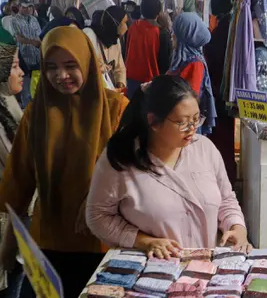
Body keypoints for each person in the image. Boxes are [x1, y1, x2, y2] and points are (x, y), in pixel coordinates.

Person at [0, 26, 129, 298]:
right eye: (51, 67)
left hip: (103, 243)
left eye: (70, 65)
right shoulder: (37, 112)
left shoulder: (117, 109)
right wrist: (9, 244)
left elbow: (133, 174)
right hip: (49, 242)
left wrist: (95, 197)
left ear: (87, 62)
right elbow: (20, 181)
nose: (61, 75)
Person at [86, 75, 251, 258]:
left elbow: (226, 199)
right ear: (154, 121)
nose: (192, 128)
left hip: (205, 266)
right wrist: (144, 241)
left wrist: (237, 227)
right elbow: (98, 216)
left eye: (196, 119)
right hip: (152, 270)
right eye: (182, 122)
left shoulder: (204, 148)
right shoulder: (121, 158)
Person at [0, 42, 24, 298]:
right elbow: (13, 167)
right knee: (4, 285)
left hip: (13, 220)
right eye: (14, 66)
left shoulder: (7, 102)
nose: (22, 72)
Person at [204, 0, 236, 182]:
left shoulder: (224, 29)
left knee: (222, 141)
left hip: (220, 93)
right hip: (221, 93)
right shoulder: (226, 25)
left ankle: (224, 180)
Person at [168, 13, 215, 134]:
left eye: (175, 33)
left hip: (186, 127)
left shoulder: (195, 64)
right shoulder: (180, 59)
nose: (172, 36)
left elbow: (190, 99)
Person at [125, 0, 172, 98]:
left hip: (131, 80)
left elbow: (126, 51)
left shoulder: (132, 28)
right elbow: (165, 63)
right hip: (152, 83)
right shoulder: (161, 33)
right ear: (158, 13)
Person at [83, 7, 128, 90]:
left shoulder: (114, 39)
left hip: (110, 89)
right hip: (93, 89)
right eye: (124, 22)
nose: (126, 27)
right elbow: (86, 67)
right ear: (114, 23)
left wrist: (120, 83)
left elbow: (119, 66)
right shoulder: (89, 37)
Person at [11, 0, 42, 108]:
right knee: (25, 87)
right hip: (23, 57)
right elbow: (18, 38)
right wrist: (32, 42)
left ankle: (36, 108)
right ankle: (26, 111)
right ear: (19, 7)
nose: (28, 9)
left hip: (36, 56)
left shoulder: (34, 19)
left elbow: (39, 36)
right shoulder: (14, 20)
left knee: (36, 86)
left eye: (30, 7)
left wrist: (40, 45)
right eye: (25, 7)